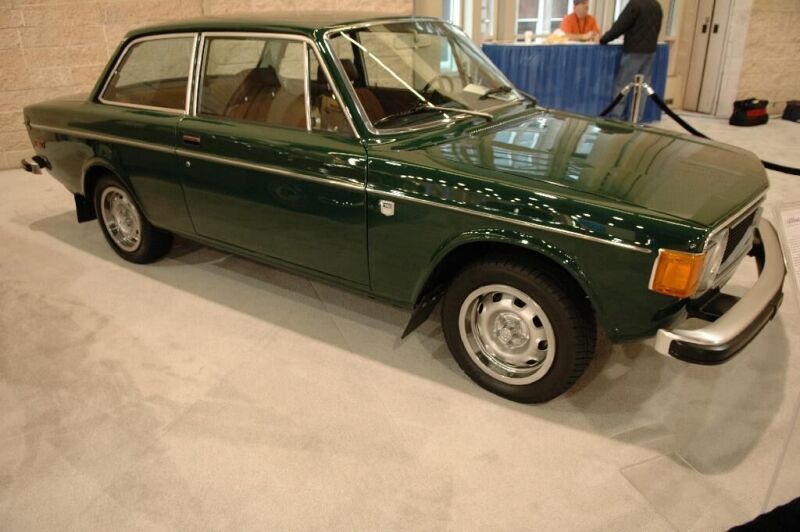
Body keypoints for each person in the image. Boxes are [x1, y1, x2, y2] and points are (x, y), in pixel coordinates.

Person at [600, 0, 663, 120]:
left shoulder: (635, 4)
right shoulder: (656, 5)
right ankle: (635, 118)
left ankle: (616, 117)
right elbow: (657, 28)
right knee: (642, 87)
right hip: (650, 51)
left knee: (623, 85)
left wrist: (604, 39)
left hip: (634, 51)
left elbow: (621, 25)